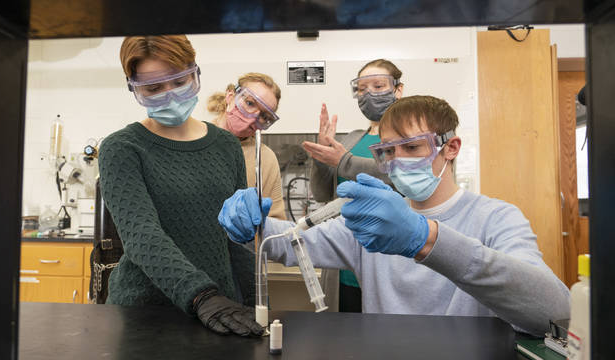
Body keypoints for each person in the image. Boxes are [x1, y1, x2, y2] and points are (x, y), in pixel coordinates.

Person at [218, 95, 570, 335]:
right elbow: (291, 242)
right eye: (388, 151)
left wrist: (426, 239)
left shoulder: (497, 218)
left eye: (413, 147)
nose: (398, 160)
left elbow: (551, 311)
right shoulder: (376, 221)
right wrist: (253, 223)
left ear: (450, 147)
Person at [98, 35, 263, 337]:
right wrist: (201, 295)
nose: (170, 96)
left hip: (220, 312)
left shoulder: (226, 145)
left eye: (178, 81)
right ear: (134, 90)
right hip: (145, 315)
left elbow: (234, 238)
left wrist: (256, 299)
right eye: (154, 89)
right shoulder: (121, 148)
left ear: (195, 73)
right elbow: (141, 235)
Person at [301, 59, 404, 312]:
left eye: (378, 86)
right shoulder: (352, 138)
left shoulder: (407, 139)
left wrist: (343, 161)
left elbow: (397, 178)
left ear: (398, 90)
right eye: (361, 88)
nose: (369, 94)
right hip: (344, 262)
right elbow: (325, 193)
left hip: (389, 257)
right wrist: (323, 156)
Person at [207, 73, 286, 221]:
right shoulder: (197, 138)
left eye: (264, 116)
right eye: (250, 103)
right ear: (230, 96)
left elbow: (276, 220)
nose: (254, 117)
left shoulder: (264, 158)